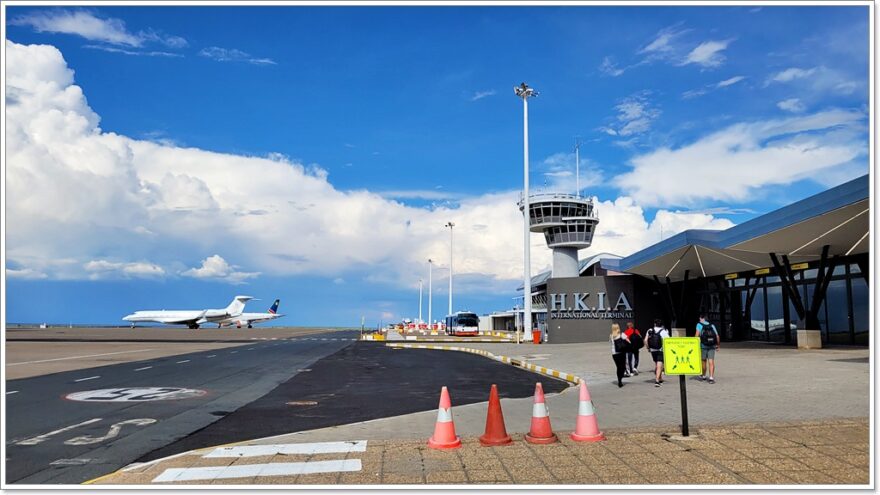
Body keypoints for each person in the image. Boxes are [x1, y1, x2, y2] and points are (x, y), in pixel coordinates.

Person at [645, 318, 670, 387]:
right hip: (660, 350)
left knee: (657, 364)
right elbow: (668, 341)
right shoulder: (663, 331)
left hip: (653, 350)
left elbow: (645, 340)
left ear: (654, 324)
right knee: (659, 365)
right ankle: (657, 381)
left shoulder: (650, 330)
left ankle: (660, 378)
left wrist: (648, 348)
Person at [696, 313, 720, 383]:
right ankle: (711, 378)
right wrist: (718, 345)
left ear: (702, 318)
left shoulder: (699, 325)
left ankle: (703, 375)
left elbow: (697, 335)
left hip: (703, 346)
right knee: (711, 361)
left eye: (700, 318)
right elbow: (717, 336)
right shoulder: (712, 325)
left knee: (703, 361)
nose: (699, 319)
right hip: (712, 346)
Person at [609, 323, 630, 388]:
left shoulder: (611, 336)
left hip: (614, 354)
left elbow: (611, 343)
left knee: (618, 367)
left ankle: (619, 380)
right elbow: (629, 342)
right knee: (623, 367)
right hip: (621, 352)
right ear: (618, 328)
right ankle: (620, 378)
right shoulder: (622, 334)